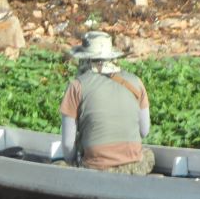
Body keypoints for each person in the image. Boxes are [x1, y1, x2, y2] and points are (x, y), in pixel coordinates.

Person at [59, 31, 155, 175]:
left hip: (96, 168)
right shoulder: (136, 82)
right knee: (148, 154)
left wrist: (72, 162)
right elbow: (144, 131)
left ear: (85, 59)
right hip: (134, 167)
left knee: (60, 165)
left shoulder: (76, 86)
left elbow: (67, 145)